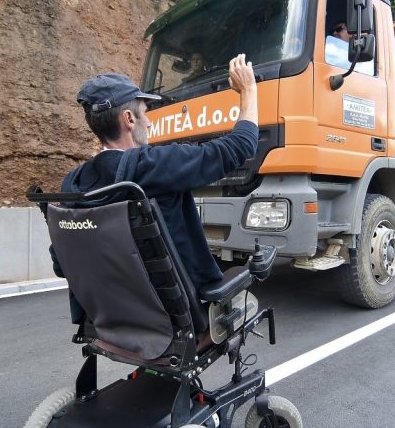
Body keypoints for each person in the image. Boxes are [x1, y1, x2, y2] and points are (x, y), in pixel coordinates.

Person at [53, 54, 259, 324]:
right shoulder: (153, 166)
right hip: (175, 320)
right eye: (145, 114)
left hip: (111, 319)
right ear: (128, 119)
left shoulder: (73, 184)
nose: (149, 122)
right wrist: (249, 91)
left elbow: (61, 265)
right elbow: (240, 146)